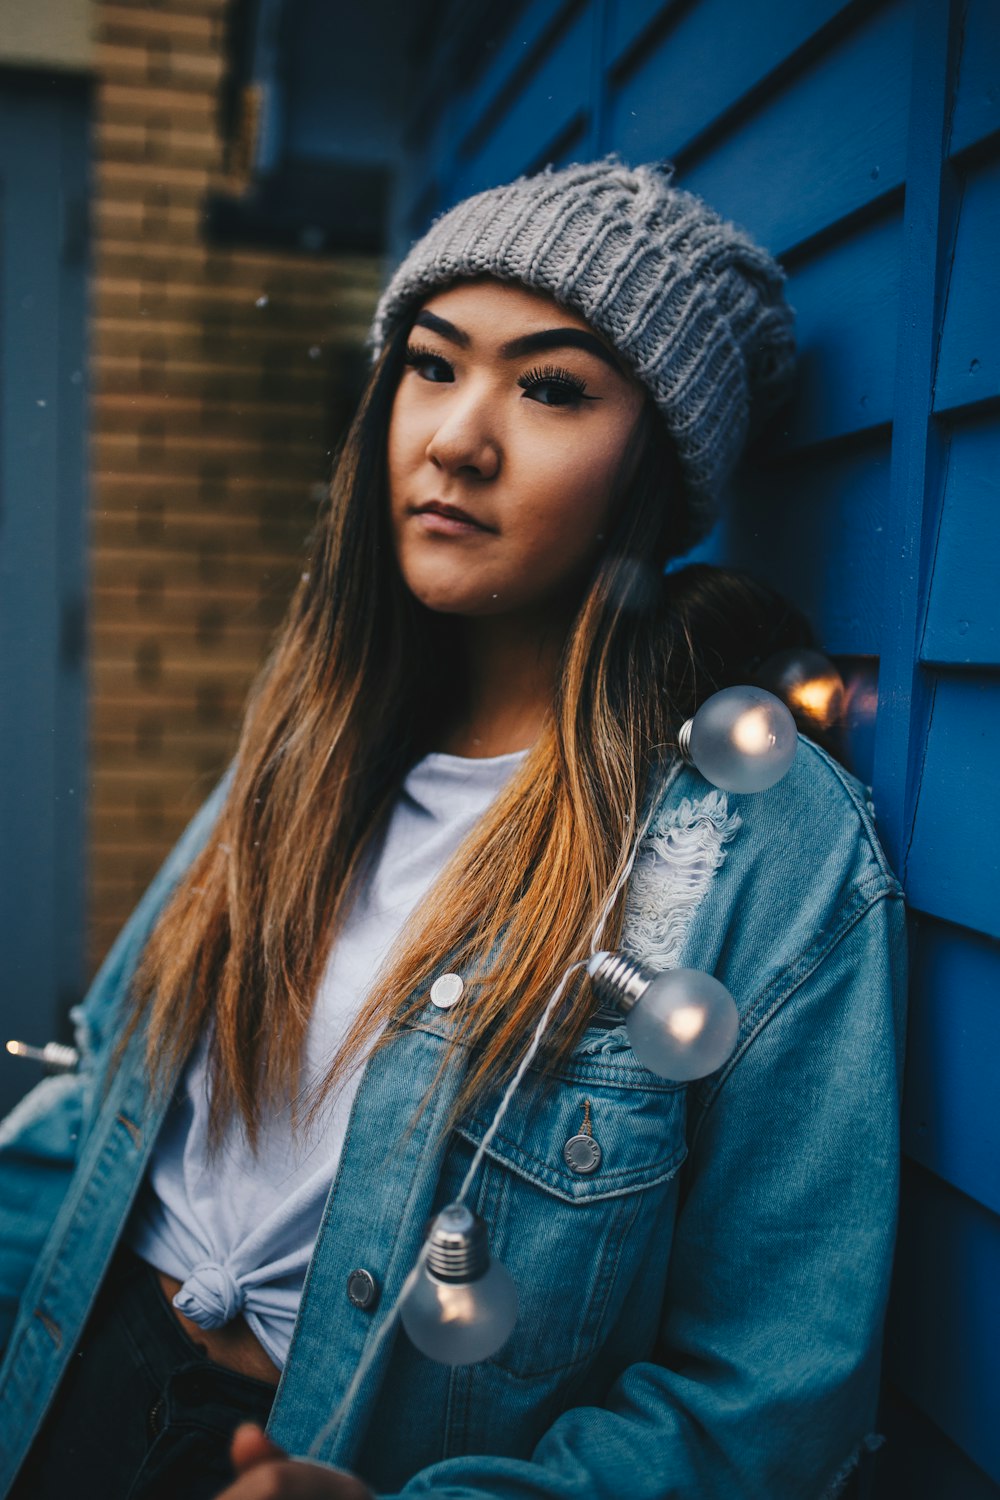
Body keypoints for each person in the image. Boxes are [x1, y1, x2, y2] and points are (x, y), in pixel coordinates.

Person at [0, 157, 907, 1500]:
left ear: (651, 463)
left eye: (550, 388)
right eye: (433, 366)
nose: (457, 439)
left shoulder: (757, 850)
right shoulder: (304, 748)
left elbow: (767, 1397)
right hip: (69, 1386)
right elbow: (100, 1117)